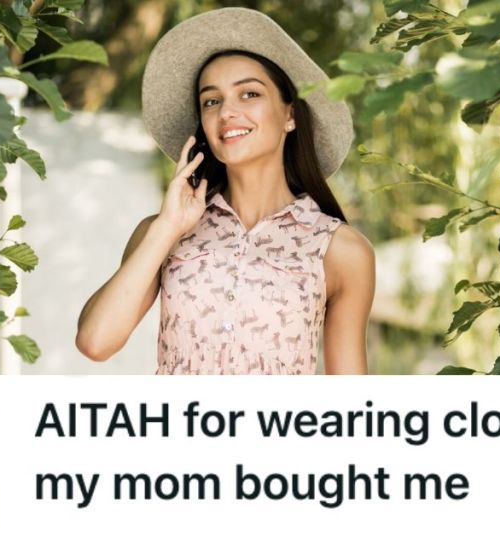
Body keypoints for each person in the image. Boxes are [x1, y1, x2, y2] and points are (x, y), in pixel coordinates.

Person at [75, 7, 375, 374]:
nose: (227, 112)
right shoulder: (162, 232)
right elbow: (95, 342)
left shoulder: (341, 250)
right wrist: (168, 228)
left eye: (249, 94)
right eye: (211, 101)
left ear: (291, 115)